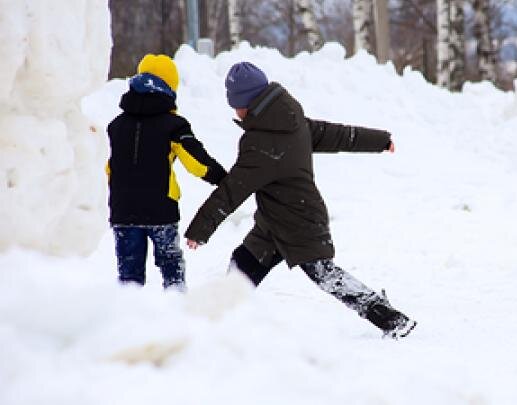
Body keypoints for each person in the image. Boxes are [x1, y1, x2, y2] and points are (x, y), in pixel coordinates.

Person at [184, 62, 416, 338]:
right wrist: (380, 140)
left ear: (246, 103)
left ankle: (390, 319)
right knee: (244, 262)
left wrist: (200, 230)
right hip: (274, 224)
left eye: (235, 104)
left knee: (325, 275)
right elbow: (338, 135)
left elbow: (232, 190)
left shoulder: (260, 143)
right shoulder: (292, 123)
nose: (235, 111)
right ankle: (216, 323)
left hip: (300, 221)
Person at [106, 54, 227, 290]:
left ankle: (125, 320)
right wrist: (224, 179)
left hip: (123, 211)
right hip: (160, 210)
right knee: (171, 269)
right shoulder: (174, 125)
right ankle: (176, 315)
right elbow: (197, 163)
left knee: (128, 278)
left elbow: (109, 168)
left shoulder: (116, 125)